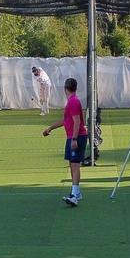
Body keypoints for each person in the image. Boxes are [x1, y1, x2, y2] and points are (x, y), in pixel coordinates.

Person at [43, 77, 88, 207]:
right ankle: (77, 192)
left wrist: (74, 139)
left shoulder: (73, 102)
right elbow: (66, 120)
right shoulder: (71, 102)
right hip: (73, 136)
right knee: (72, 164)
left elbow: (77, 121)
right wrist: (50, 128)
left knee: (75, 164)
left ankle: (75, 194)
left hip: (77, 136)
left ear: (65, 88)